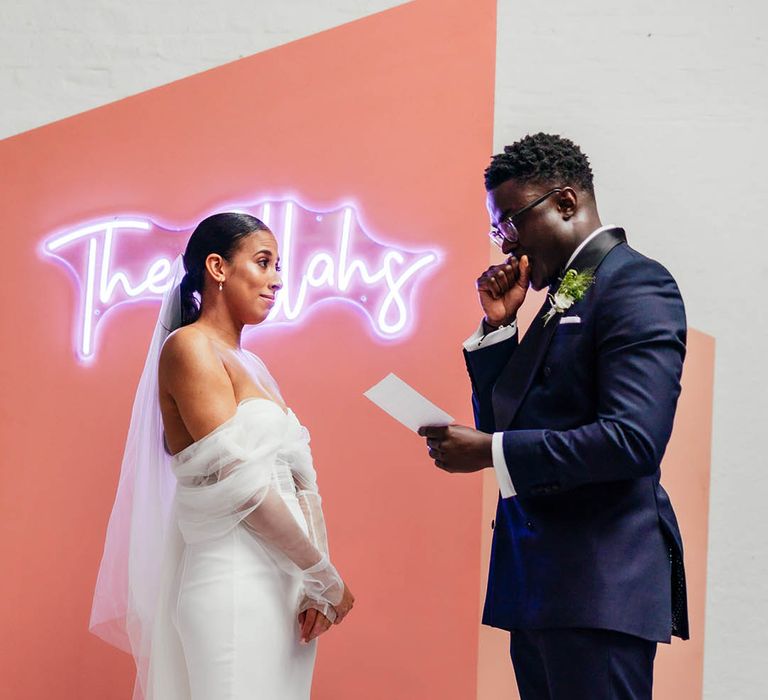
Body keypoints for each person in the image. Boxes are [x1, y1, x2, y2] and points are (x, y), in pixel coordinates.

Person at [418, 133, 688, 700]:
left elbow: (633, 439)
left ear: (566, 203)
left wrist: (490, 452)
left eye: (510, 222)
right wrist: (498, 330)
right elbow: (510, 418)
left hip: (598, 587)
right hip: (542, 585)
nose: (504, 243)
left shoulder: (637, 285)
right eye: (499, 229)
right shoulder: (563, 293)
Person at [90, 213, 354, 700]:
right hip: (234, 580)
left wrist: (318, 581)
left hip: (287, 585)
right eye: (263, 262)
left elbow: (301, 479)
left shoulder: (253, 365)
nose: (277, 279)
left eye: (279, 265)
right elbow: (239, 484)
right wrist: (322, 572)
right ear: (216, 267)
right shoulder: (188, 348)